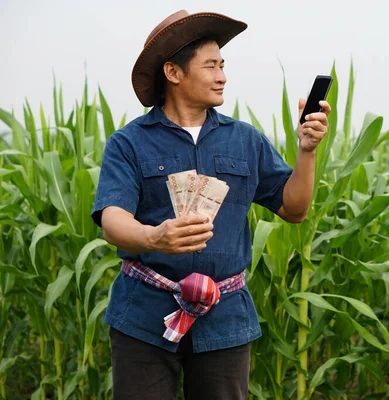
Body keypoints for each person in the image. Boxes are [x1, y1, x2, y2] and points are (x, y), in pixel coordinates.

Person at [91, 9, 331, 400]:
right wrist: (156, 237)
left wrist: (307, 151)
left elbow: (294, 209)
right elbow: (113, 221)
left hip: (225, 320)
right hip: (143, 319)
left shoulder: (245, 140)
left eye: (223, 65)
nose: (222, 76)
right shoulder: (129, 143)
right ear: (173, 73)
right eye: (211, 66)